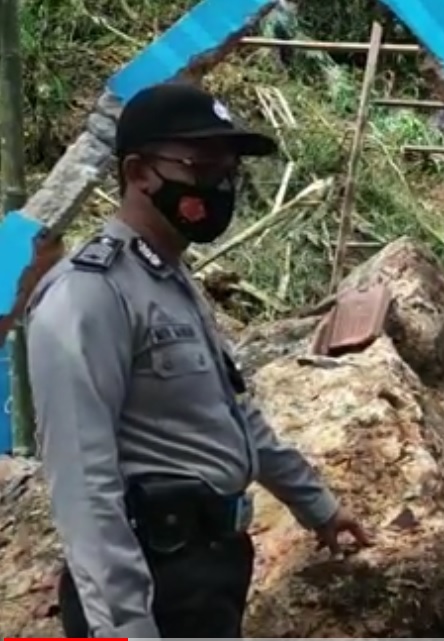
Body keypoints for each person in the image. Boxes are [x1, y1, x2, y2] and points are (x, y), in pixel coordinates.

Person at [25, 82, 373, 638]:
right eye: (201, 168)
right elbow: (83, 484)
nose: (220, 187)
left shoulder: (171, 281)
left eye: (229, 171)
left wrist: (318, 506)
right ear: (139, 173)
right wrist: (123, 627)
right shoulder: (88, 296)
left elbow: (235, 419)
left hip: (209, 575)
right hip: (149, 584)